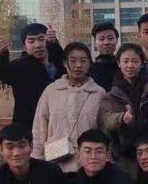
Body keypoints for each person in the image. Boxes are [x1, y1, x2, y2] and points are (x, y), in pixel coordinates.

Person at [32, 42, 106, 173]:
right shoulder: (52, 90)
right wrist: (37, 159)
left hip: (88, 165)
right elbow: (39, 128)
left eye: (83, 61)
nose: (78, 65)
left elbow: (104, 130)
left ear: (89, 64)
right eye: (73, 60)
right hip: (55, 163)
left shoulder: (98, 93)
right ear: (64, 63)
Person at [98, 43, 148, 177]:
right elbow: (107, 120)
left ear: (142, 63)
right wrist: (121, 118)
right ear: (118, 63)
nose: (130, 65)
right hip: (124, 158)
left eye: (135, 61)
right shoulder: (111, 95)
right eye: (126, 61)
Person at [0, 22, 65, 133]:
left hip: (58, 128)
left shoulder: (60, 64)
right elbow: (3, 73)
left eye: (41, 39)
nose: (37, 45)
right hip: (28, 130)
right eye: (31, 41)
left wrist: (55, 44)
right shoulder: (20, 67)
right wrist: (0, 55)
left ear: (48, 40)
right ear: (25, 46)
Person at [88, 21, 120, 91]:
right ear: (95, 43)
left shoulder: (124, 67)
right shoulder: (88, 70)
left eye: (110, 38)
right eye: (101, 39)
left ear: (117, 40)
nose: (106, 42)